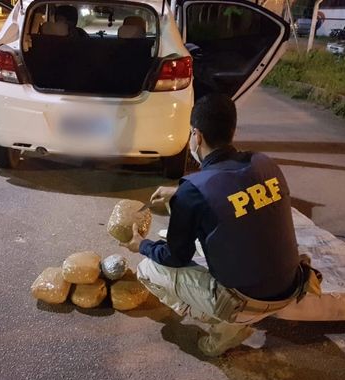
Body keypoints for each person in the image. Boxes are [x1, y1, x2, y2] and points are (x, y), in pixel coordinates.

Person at [119, 94, 321, 357]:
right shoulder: (264, 163)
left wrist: (142, 245)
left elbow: (175, 257)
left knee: (148, 269)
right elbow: (233, 191)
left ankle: (226, 327)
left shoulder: (194, 191)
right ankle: (240, 316)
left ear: (197, 135)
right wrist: (179, 194)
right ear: (232, 131)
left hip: (246, 302)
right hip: (290, 287)